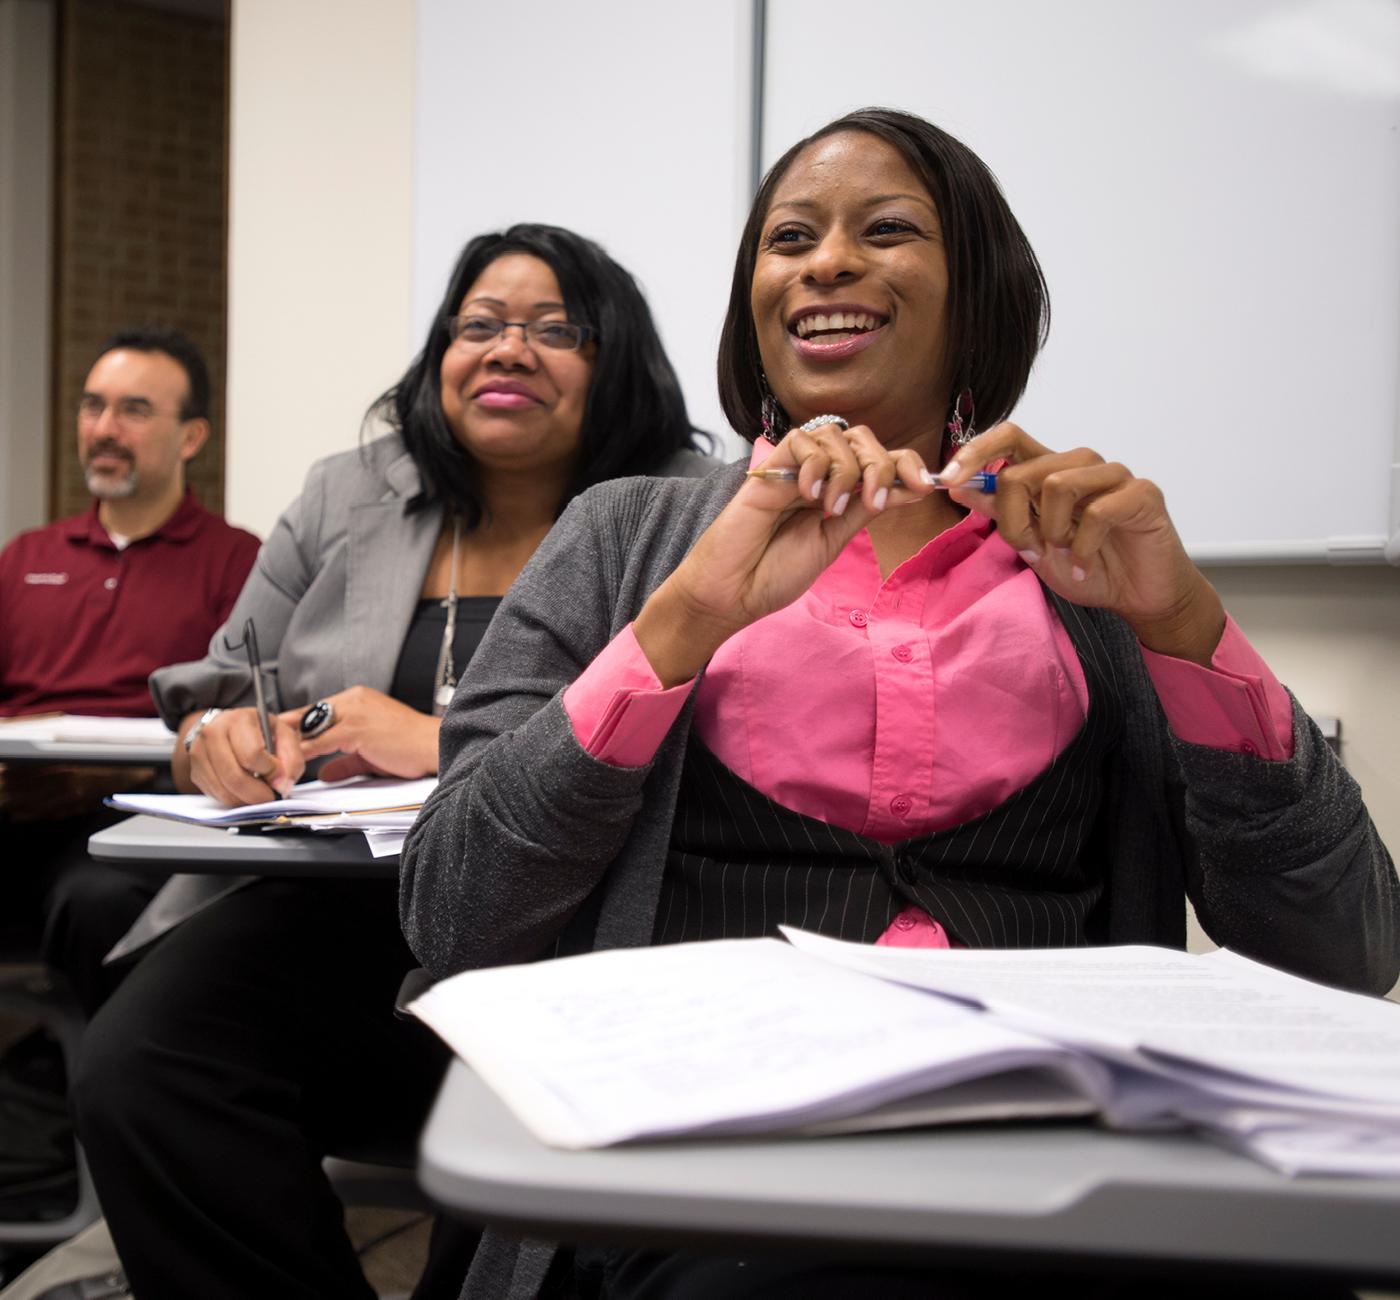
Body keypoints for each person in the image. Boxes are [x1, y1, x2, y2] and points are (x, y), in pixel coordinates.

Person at [399, 111, 1400, 1300]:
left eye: (884, 230)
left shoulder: (1088, 569)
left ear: (971, 294)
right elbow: (452, 909)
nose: (824, 263)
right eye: (788, 238)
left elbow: (1346, 948)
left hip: (1052, 1169)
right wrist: (680, 626)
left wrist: (1182, 627)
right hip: (709, 1172)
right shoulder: (628, 536)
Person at [71, 223, 713, 1300]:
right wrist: (214, 744)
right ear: (438, 354)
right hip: (339, 916)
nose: (508, 350)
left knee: (517, 1155)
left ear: (620, 366)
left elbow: (713, 751)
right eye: (479, 325)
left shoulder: (687, 511)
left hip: (569, 935)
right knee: (145, 1063)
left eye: (557, 330)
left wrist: (442, 748)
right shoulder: (348, 494)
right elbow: (220, 687)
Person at [0, 325, 260, 1013]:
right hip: (12, 803)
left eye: (134, 410)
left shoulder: (236, 562)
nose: (105, 428)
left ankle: (92, 1099)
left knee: (101, 902)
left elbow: (240, 718)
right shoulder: (27, 556)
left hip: (133, 816)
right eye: (93, 406)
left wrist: (116, 777)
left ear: (191, 438)